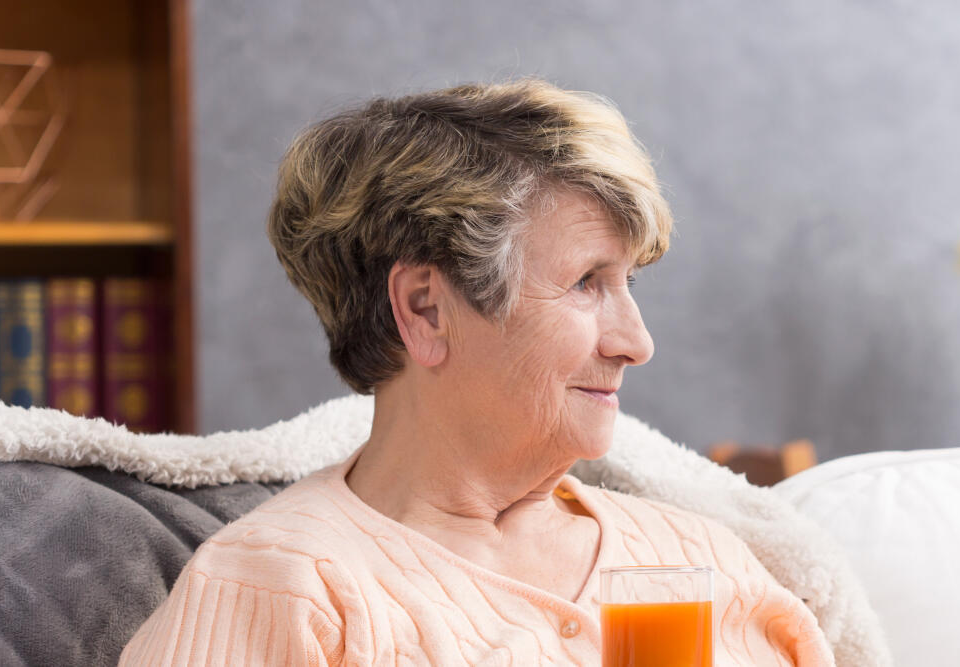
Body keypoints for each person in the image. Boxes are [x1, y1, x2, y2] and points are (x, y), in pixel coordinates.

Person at [121, 79, 834, 666]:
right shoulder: (281, 590)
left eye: (629, 284)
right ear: (426, 310)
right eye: (586, 282)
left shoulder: (698, 558)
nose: (636, 342)